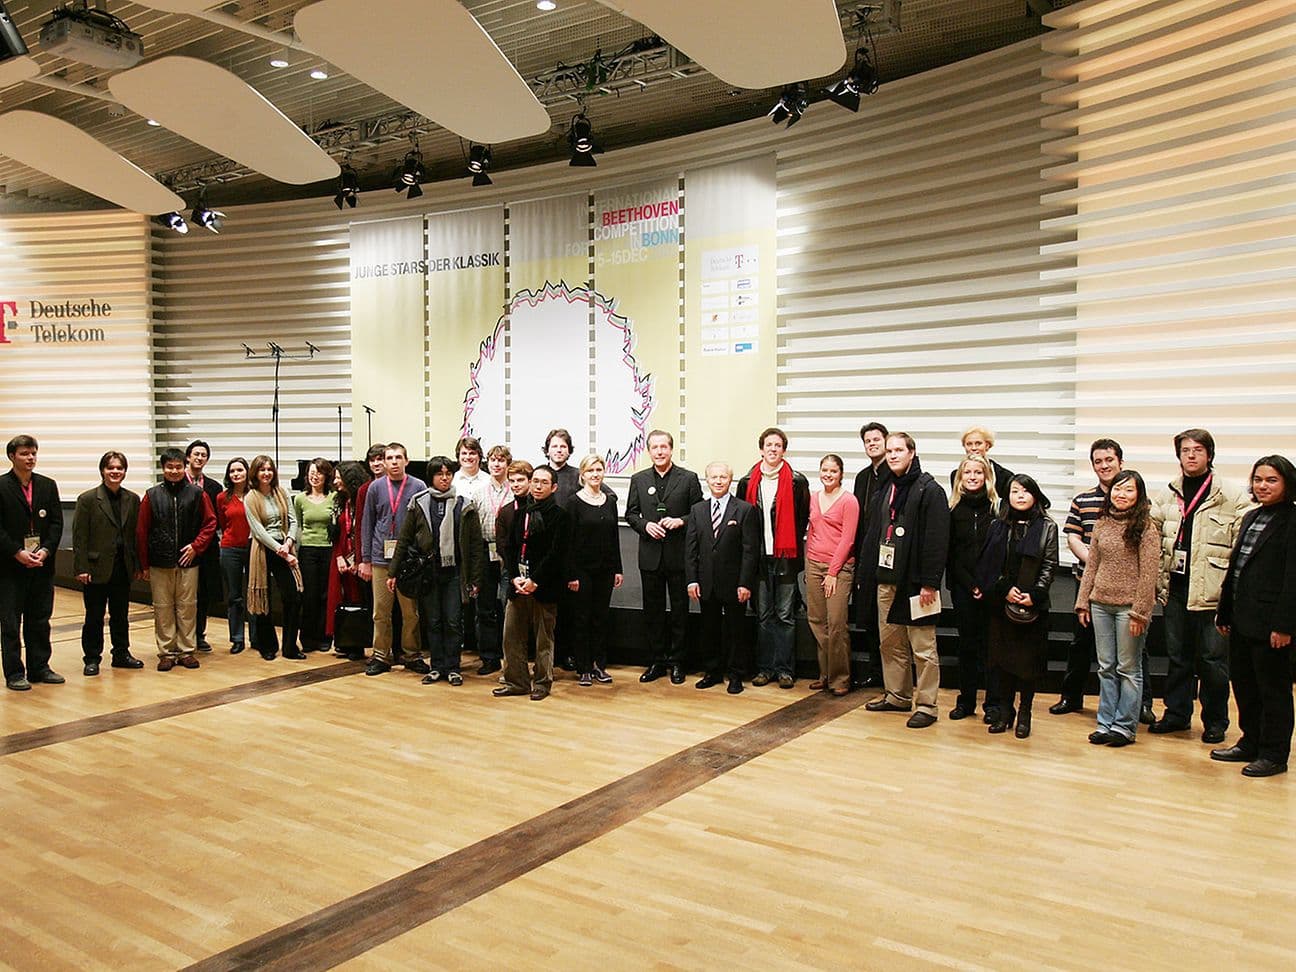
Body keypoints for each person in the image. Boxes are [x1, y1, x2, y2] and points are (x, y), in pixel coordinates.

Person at [1150, 429, 1250, 744]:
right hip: (1176, 589)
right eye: (1185, 450)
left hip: (1213, 594)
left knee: (1212, 661)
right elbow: (1152, 536)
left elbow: (1243, 547)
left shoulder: (1232, 495)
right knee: (1178, 657)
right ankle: (1177, 715)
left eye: (1197, 450)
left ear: (1209, 455)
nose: (1191, 455)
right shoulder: (1167, 494)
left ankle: (1215, 721)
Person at [1213, 455, 1296, 778]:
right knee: (1244, 685)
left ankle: (1274, 753)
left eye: (1271, 480)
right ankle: (1250, 741)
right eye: (1258, 479)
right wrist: (1224, 611)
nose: (1263, 485)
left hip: (1272, 625)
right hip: (1242, 619)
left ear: (1287, 483)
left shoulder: (1292, 520)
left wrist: (1285, 625)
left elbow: (1293, 580)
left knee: (1273, 690)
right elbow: (1236, 571)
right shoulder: (1250, 517)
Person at [860, 432, 950, 728]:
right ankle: (897, 695)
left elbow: (937, 541)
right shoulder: (887, 488)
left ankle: (927, 705)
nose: (893, 455)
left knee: (923, 648)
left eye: (899, 449)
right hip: (886, 578)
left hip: (917, 584)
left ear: (912, 452)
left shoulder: (930, 490)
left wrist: (930, 583)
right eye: (889, 450)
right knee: (890, 642)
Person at [1075, 470, 1160, 748]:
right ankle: (1105, 723)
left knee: (1128, 668)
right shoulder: (1102, 523)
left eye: (1128, 490)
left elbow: (1149, 575)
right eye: (1117, 489)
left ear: (1139, 495)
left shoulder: (1146, 527)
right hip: (1100, 604)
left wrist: (1140, 612)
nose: (1121, 495)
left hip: (1128, 608)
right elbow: (1093, 566)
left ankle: (1124, 727)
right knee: (1106, 666)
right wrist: (1082, 601)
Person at [974, 475, 1058, 739]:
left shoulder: (1047, 526)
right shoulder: (999, 525)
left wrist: (1035, 593)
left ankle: (1025, 713)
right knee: (1002, 661)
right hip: (1002, 603)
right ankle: (1004, 711)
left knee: (1027, 664)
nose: (1020, 496)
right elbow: (990, 564)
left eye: (1025, 491)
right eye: (1014, 491)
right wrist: (1005, 589)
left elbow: (1049, 565)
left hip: (1033, 605)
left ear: (1035, 494)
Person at [389, 456, 483, 686]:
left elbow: (475, 546)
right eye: (439, 474)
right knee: (433, 621)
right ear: (431, 477)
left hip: (454, 573)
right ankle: (437, 666)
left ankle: (453, 667)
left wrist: (476, 579)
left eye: (448, 474)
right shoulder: (418, 502)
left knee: (452, 621)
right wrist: (392, 572)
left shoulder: (464, 504)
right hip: (428, 572)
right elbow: (404, 539)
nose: (444, 478)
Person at [626, 430, 703, 685]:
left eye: (664, 447)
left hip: (678, 556)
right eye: (655, 447)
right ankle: (657, 660)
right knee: (653, 612)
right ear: (649, 451)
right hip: (650, 556)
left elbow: (699, 514)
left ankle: (678, 662)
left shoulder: (688, 479)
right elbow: (631, 514)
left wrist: (680, 520)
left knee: (680, 611)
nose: (659, 451)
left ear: (671, 449)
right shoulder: (638, 479)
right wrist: (645, 526)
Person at [736, 427, 811, 689]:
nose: (773, 449)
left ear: (784, 450)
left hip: (785, 559)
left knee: (785, 615)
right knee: (764, 615)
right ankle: (765, 669)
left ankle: (785, 670)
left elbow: (802, 519)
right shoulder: (747, 482)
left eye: (778, 445)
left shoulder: (796, 481)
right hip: (758, 559)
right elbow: (742, 520)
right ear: (761, 449)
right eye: (769, 445)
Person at [136, 448, 217, 671]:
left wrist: (196, 547)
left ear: (185, 467)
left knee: (187, 607)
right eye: (169, 467)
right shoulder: (151, 495)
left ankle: (187, 650)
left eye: (178, 466)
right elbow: (142, 531)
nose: (174, 470)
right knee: (162, 607)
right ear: (163, 468)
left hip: (188, 561)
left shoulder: (197, 494)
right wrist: (143, 564)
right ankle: (167, 652)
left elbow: (210, 524)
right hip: (159, 562)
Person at [495, 466, 570, 701]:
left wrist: (535, 580)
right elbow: (510, 547)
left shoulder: (560, 517)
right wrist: (515, 576)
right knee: (511, 635)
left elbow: (556, 554)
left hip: (543, 586)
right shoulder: (520, 512)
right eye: (535, 481)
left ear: (554, 487)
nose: (537, 486)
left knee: (543, 638)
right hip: (518, 584)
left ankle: (541, 682)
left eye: (543, 483)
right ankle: (516, 681)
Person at [686, 462, 760, 693]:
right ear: (706, 480)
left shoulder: (745, 510)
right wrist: (692, 579)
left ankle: (736, 674)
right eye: (713, 477)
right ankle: (712, 671)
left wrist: (745, 583)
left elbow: (750, 550)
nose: (718, 481)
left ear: (731, 480)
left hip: (734, 583)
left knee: (736, 630)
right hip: (706, 583)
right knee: (709, 629)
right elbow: (691, 549)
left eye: (723, 477)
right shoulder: (697, 510)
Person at [0, 435, 64, 691]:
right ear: (12, 456)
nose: (30, 458)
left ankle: (40, 667)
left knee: (40, 619)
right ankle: (15, 672)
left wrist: (46, 550)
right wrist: (17, 552)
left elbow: (57, 523)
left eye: (34, 453)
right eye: (25, 453)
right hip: (10, 567)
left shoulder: (47, 485)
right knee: (11, 622)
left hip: (41, 565)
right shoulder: (2, 486)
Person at [73, 450, 144, 676]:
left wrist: (139, 565)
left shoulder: (132, 499)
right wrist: (81, 567)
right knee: (94, 615)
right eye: (111, 468)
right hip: (95, 567)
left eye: (119, 468)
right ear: (102, 470)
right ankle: (92, 658)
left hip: (123, 566)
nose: (115, 472)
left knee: (121, 614)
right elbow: (80, 536)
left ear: (125, 471)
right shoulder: (87, 499)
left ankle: (121, 653)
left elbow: (137, 535)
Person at [360, 443, 428, 676]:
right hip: (381, 558)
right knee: (381, 611)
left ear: (407, 461)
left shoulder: (419, 487)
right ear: (384, 462)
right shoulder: (375, 488)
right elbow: (367, 524)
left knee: (410, 612)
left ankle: (411, 654)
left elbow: (423, 525)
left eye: (399, 457)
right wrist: (365, 559)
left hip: (408, 561)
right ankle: (381, 655)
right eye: (390, 458)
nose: (394, 462)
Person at [946, 454, 1000, 722]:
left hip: (991, 589)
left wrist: (985, 585)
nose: (972, 477)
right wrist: (970, 584)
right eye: (967, 473)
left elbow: (1000, 552)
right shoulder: (954, 510)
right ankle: (966, 702)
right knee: (966, 647)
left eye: (978, 472)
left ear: (986, 476)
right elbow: (952, 554)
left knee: (991, 647)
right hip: (963, 588)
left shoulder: (997, 510)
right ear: (960, 478)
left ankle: (992, 704)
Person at [567, 455, 624, 686]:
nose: (595, 474)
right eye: (590, 470)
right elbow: (569, 542)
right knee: (582, 618)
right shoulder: (574, 502)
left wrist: (617, 569)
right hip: (582, 571)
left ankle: (599, 665)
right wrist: (571, 574)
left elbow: (614, 537)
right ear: (583, 474)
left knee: (601, 618)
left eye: (599, 469)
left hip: (605, 569)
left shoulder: (609, 501)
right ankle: (583, 667)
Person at [805, 454, 859, 697]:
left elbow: (848, 540)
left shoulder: (849, 501)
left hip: (839, 568)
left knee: (836, 623)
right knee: (817, 621)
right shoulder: (814, 498)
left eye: (833, 471)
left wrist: (833, 572)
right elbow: (813, 531)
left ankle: (841, 678)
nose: (828, 474)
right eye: (824, 470)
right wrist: (809, 565)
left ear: (841, 474)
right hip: (814, 564)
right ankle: (824, 674)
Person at [244, 454, 303, 661]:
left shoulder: (282, 492)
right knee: (263, 596)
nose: (266, 473)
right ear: (255, 473)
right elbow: (258, 531)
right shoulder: (250, 497)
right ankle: (267, 645)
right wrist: (280, 549)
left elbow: (293, 520)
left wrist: (288, 542)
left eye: (269, 469)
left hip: (285, 546)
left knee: (293, 597)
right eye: (262, 470)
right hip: (262, 549)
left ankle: (290, 647)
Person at [852, 421, 891, 688]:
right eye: (867, 441)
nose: (872, 444)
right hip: (866, 556)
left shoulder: (896, 473)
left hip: (889, 555)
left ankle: (892, 676)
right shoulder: (862, 478)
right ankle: (875, 671)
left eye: (876, 439)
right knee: (867, 616)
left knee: (888, 619)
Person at [470, 444, 513, 675]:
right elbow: (473, 529)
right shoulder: (478, 493)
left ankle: (510, 656)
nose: (497, 464)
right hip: (485, 552)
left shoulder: (515, 491)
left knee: (509, 606)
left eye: (501, 460)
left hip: (508, 554)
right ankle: (488, 657)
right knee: (484, 607)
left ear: (508, 464)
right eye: (493, 460)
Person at [327, 461, 370, 660]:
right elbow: (335, 534)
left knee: (358, 600)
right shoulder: (338, 502)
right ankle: (344, 642)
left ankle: (358, 644)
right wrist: (339, 557)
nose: (335, 482)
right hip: (341, 556)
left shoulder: (363, 499)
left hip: (359, 557)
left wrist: (358, 559)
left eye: (339, 477)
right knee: (340, 599)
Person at [294, 457, 336, 653]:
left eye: (319, 473)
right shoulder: (300, 499)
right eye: (311, 473)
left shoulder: (334, 497)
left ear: (326, 475)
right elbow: (299, 527)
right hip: (308, 550)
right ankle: (307, 637)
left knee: (325, 594)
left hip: (328, 549)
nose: (315, 476)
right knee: (309, 595)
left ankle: (325, 636)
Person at [185, 439, 223, 653]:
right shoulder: (177, 481)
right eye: (196, 454)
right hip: (184, 548)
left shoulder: (214, 487)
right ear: (188, 457)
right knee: (185, 594)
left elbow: (215, 520)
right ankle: (185, 635)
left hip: (207, 548)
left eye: (203, 455)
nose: (199, 458)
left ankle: (199, 634)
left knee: (204, 593)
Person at [454, 435, 488, 659]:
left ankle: (480, 645)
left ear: (479, 456)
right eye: (464, 453)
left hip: (481, 544)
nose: (468, 457)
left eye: (472, 453)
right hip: (456, 545)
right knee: (457, 598)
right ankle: (460, 643)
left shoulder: (487, 480)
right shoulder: (452, 479)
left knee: (480, 597)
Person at [216, 457, 252, 654]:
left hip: (253, 547)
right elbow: (223, 523)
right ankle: (237, 638)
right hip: (230, 549)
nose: (236, 474)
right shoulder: (222, 498)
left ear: (247, 472)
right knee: (234, 596)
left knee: (255, 592)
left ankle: (256, 636)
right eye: (232, 471)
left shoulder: (255, 495)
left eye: (240, 470)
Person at [948, 425, 1014, 499]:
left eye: (978, 443)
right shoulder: (956, 475)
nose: (973, 448)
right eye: (969, 444)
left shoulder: (1004, 476)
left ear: (987, 446)